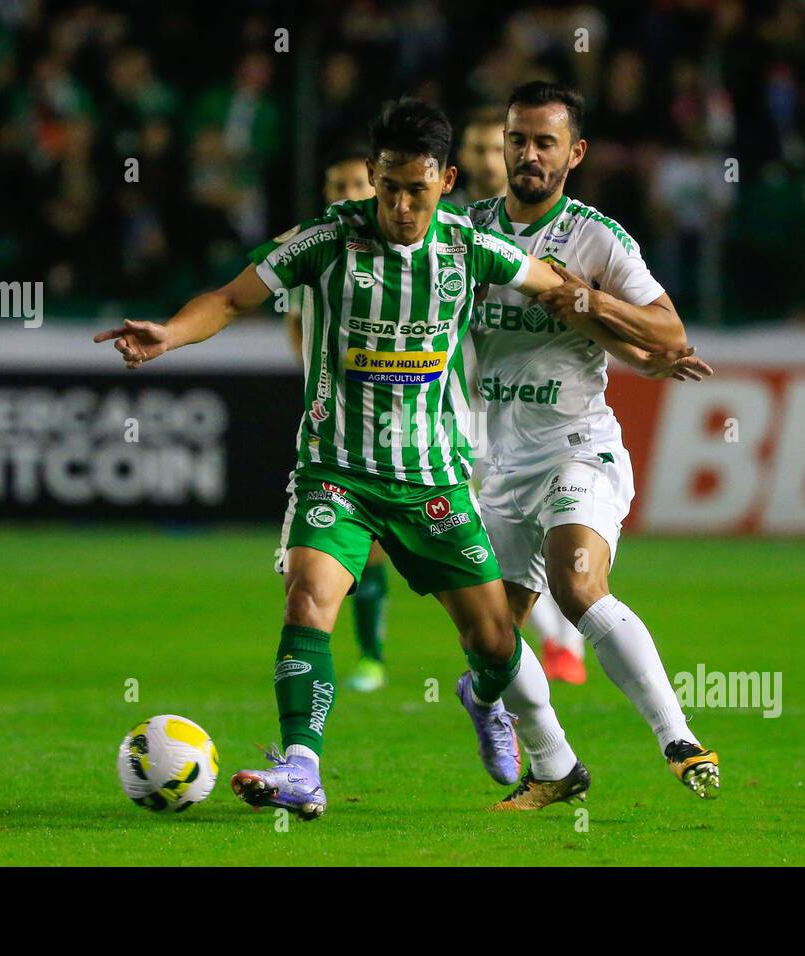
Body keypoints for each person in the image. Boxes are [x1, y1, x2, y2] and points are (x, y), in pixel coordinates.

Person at [94, 98, 682, 819]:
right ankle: (302, 766)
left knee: (497, 641)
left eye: (418, 189)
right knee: (308, 599)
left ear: (447, 180)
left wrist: (649, 345)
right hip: (335, 470)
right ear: (373, 177)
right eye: (389, 187)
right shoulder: (325, 239)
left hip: (432, 480)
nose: (402, 205)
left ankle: (530, 737)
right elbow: (230, 297)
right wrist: (170, 335)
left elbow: (566, 293)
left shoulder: (472, 248)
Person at [466, 81, 720, 804]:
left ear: (574, 154)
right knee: (490, 642)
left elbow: (669, 331)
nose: (528, 154)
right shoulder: (467, 233)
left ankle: (679, 739)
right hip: (501, 464)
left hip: (579, 447)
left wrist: (587, 299)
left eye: (545, 142)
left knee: (578, 586)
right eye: (517, 139)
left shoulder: (597, 237)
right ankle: (554, 768)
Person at [283, 147, 391, 693]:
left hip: (420, 431)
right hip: (340, 432)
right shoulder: (315, 254)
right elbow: (297, 326)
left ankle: (509, 666)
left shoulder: (408, 258)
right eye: (336, 185)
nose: (346, 195)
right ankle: (370, 657)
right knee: (347, 555)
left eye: (356, 184)